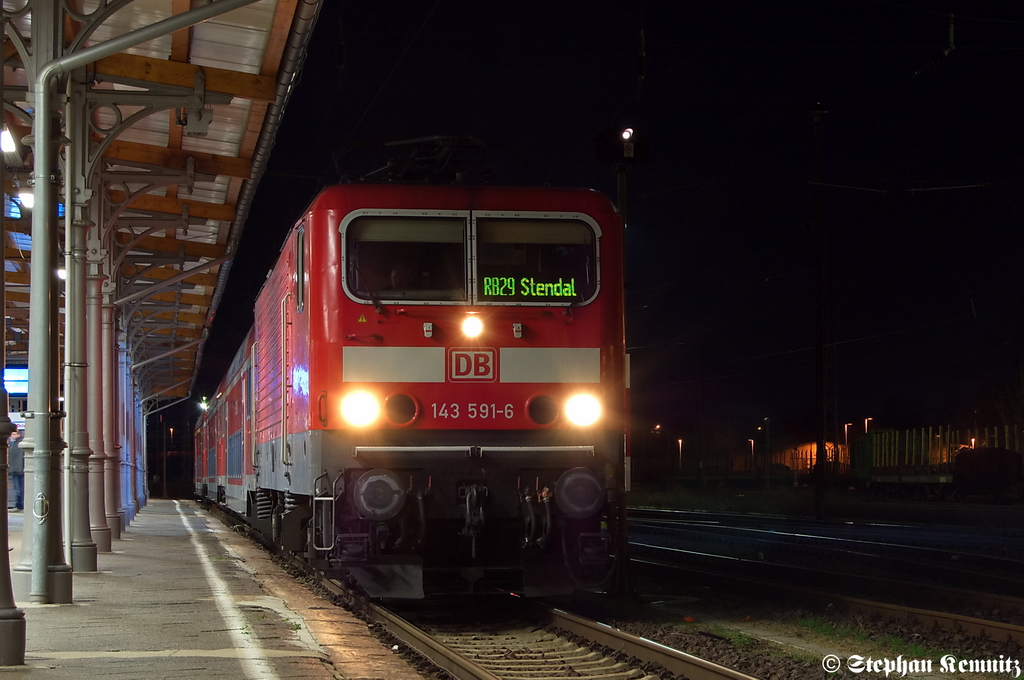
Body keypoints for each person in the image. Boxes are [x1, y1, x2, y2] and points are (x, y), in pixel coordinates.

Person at [8, 427, 23, 511]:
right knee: (17, 488)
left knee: (19, 488)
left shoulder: (18, 444)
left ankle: (20, 504)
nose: (12, 436)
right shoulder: (12, 444)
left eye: (14, 434)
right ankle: (19, 504)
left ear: (18, 435)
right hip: (15, 469)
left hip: (18, 470)